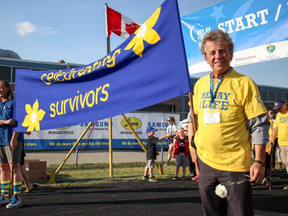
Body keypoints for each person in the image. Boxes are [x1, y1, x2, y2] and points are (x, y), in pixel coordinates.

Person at [188, 30, 269, 216]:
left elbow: (260, 124)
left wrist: (259, 161)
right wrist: (194, 152)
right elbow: (194, 118)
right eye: (213, 53)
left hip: (235, 165)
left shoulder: (245, 83)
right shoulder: (199, 84)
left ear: (231, 54)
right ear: (205, 57)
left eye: (223, 51)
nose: (218, 56)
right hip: (206, 163)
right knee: (212, 213)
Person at [0, 80, 23, 209]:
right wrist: (5, 121)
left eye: (2, 87)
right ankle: (4, 195)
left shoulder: (14, 103)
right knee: (3, 168)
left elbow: (20, 122)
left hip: (12, 140)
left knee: (15, 167)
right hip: (1, 139)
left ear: (8, 89)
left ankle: (17, 197)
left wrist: (14, 138)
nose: (0, 90)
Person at [269, 100, 288, 189]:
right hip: (281, 143)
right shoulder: (279, 116)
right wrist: (272, 138)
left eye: (279, 108)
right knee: (286, 164)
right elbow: (275, 129)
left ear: (284, 106)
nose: (278, 110)